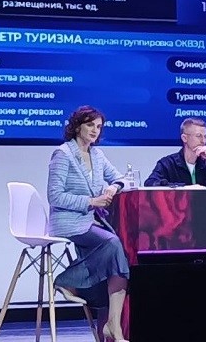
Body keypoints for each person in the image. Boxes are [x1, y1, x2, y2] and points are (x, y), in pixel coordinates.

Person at [47, 106, 130, 342]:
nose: (95, 130)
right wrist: (91, 201)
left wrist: (113, 187)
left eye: (99, 127)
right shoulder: (63, 154)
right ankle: (66, 280)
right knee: (112, 244)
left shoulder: (97, 155)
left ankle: (113, 326)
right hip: (67, 221)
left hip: (89, 222)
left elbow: (121, 178)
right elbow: (55, 196)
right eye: (90, 125)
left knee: (118, 251)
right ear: (77, 126)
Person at [144, 117, 206, 187]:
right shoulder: (168, 163)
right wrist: (183, 188)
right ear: (184, 138)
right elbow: (150, 183)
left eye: (205, 137)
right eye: (198, 136)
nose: (203, 141)